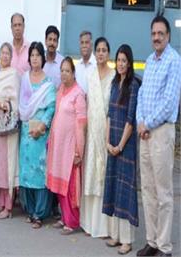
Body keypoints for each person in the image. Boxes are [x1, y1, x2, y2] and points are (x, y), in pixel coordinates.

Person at [135, 16, 181, 257]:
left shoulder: (174, 61)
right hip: (145, 132)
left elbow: (169, 101)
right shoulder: (151, 61)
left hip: (161, 132)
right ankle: (152, 242)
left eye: (161, 33)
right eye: (153, 33)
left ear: (168, 36)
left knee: (163, 193)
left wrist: (148, 124)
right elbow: (142, 95)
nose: (156, 37)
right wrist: (140, 122)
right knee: (149, 190)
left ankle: (164, 246)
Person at [102, 45, 140, 256]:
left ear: (130, 62)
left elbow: (130, 119)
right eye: (118, 60)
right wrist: (108, 142)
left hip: (126, 145)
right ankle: (115, 235)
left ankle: (127, 240)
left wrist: (120, 146)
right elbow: (109, 114)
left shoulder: (133, 85)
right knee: (114, 187)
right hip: (112, 142)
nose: (121, 64)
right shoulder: (115, 83)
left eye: (124, 60)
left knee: (125, 190)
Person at [46, 57, 87, 235]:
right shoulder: (61, 89)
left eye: (67, 71)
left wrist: (79, 150)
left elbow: (81, 125)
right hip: (58, 146)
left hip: (71, 147)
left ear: (73, 73)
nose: (64, 74)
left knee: (70, 185)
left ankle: (72, 221)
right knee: (60, 183)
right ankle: (64, 217)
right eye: (62, 70)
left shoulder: (78, 94)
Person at [18, 41, 56, 229]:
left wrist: (41, 127)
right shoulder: (24, 79)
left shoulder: (48, 84)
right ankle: (30, 210)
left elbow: (51, 108)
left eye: (38, 55)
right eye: (32, 55)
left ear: (42, 58)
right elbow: (21, 106)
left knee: (39, 173)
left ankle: (40, 214)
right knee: (26, 172)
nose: (34, 58)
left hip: (40, 135)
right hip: (26, 133)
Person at [80, 37, 115, 238]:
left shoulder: (113, 77)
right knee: (91, 174)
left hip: (106, 132)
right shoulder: (91, 75)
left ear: (108, 54)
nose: (101, 53)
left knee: (103, 176)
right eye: (98, 50)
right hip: (91, 131)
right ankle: (88, 224)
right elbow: (87, 103)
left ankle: (103, 227)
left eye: (104, 50)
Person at [0, 42, 21, 219]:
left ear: (11, 57)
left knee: (8, 165)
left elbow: (15, 104)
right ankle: (0, 202)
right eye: (2, 53)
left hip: (7, 124)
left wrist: (1, 104)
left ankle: (8, 206)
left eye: (8, 53)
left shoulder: (14, 75)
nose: (5, 56)